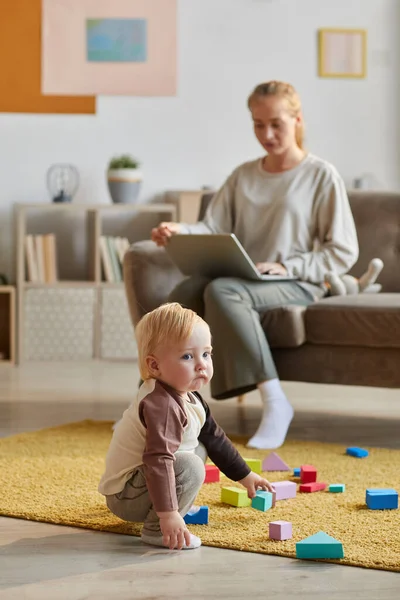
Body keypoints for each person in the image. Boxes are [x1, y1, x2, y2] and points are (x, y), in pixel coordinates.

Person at [151, 80, 359, 450]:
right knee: (184, 294)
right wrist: (179, 229)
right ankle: (159, 403)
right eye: (258, 124)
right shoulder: (243, 175)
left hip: (300, 280)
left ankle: (276, 402)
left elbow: (342, 251)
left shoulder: (320, 175)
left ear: (297, 119)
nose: (267, 133)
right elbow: (213, 227)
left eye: (276, 123)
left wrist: (289, 265)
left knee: (222, 290)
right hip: (247, 279)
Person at [98, 302, 273, 551]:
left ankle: (172, 506)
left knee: (201, 445)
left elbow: (216, 438)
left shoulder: (187, 395)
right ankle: (158, 530)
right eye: (187, 356)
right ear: (155, 366)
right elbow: (158, 459)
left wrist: (245, 475)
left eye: (206, 354)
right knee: (190, 465)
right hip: (125, 497)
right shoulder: (161, 405)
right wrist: (168, 514)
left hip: (142, 482)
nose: (201, 364)